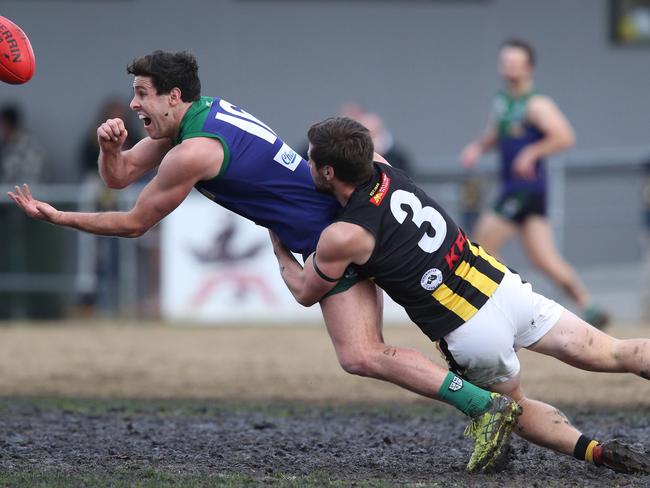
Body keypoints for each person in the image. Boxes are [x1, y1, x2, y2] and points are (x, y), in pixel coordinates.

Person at [7, 50, 519, 472]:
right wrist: (107, 149)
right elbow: (117, 178)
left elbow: (136, 221)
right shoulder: (197, 116)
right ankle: (489, 401)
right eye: (135, 93)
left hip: (330, 238)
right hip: (339, 224)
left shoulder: (195, 150)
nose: (134, 103)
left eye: (143, 94)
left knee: (361, 354)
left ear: (173, 96)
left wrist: (58, 217)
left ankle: (486, 405)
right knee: (387, 341)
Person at [268, 116, 650, 475]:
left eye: (311, 160)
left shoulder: (342, 236)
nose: (306, 163)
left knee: (510, 409)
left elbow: (305, 291)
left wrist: (277, 239)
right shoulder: (382, 165)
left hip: (469, 329)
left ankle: (596, 451)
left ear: (329, 172)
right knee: (614, 351)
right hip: (505, 288)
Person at [458, 38, 609, 329]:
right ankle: (588, 306)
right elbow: (495, 132)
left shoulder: (537, 104)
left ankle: (515, 307)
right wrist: (477, 148)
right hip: (519, 190)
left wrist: (531, 152)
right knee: (545, 260)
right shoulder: (503, 101)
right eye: (506, 61)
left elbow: (564, 136)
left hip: (525, 189)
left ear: (529, 67)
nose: (509, 67)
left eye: (516, 62)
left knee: (481, 245)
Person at [0, 104, 47, 184]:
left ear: (7, 124)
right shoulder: (5, 145)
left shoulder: (31, 147)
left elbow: (33, 180)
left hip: (27, 193)